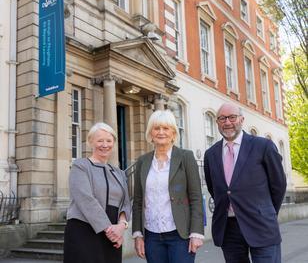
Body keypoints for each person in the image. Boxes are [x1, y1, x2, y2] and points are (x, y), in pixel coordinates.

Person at [204, 103, 287, 263]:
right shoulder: (211, 154)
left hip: (261, 225)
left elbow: (278, 185)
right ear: (217, 122)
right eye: (222, 118)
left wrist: (266, 212)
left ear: (242, 119)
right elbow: (214, 189)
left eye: (232, 117)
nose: (227, 122)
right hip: (229, 229)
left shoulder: (263, 146)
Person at [132, 110, 204, 263]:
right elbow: (138, 201)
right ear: (150, 133)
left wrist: (196, 232)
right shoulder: (142, 161)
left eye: (166, 128)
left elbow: (196, 197)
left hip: (180, 235)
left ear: (173, 132)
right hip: (151, 235)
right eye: (156, 128)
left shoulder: (186, 157)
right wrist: (138, 234)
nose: (161, 132)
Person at [63, 122, 131, 263]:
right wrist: (110, 230)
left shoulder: (119, 172)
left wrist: (121, 226)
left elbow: (125, 203)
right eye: (100, 140)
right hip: (84, 230)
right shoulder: (80, 166)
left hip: (112, 233)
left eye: (108, 140)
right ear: (91, 142)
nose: (104, 144)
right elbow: (85, 199)